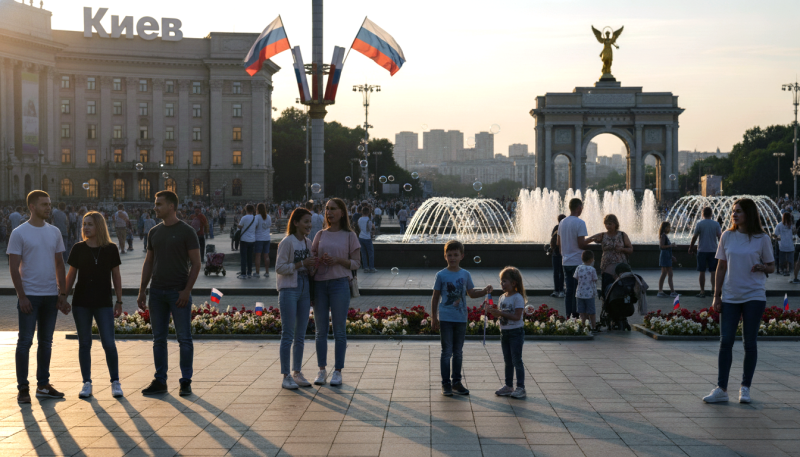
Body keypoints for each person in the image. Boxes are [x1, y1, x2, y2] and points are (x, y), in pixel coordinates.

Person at [703, 198, 775, 404]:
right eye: (733, 211)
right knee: (725, 342)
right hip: (731, 295)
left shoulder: (762, 238)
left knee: (749, 343)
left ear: (749, 214)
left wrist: (763, 267)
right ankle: (721, 389)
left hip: (754, 295)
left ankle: (745, 388)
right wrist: (716, 296)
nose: (734, 214)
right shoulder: (727, 235)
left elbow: (771, 266)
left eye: (739, 211)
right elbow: (721, 267)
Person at [137, 191, 201, 397]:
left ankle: (185, 381)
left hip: (177, 293)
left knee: (184, 339)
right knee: (159, 340)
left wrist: (186, 291)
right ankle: (160, 380)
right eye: (155, 204)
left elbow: (197, 263)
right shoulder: (154, 232)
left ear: (172, 206)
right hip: (156, 292)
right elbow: (148, 262)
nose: (155, 207)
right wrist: (142, 291)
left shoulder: (187, 231)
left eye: (159, 204)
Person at [8, 190, 70, 403]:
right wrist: (22, 296)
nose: (48, 207)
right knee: (25, 342)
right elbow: (14, 268)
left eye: (49, 203)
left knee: (46, 342)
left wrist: (62, 293)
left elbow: (60, 264)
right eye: (44, 204)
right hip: (30, 296)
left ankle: (43, 385)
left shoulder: (54, 232)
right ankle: (23, 388)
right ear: (32, 207)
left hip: (50, 295)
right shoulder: (19, 233)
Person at [64, 211, 123, 399]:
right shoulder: (78, 248)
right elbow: (71, 275)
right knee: (84, 343)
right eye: (84, 224)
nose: (85, 227)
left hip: (104, 302)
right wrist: (63, 296)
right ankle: (86, 383)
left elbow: (116, 276)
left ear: (99, 226)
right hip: (81, 302)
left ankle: (115, 382)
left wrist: (119, 301)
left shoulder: (111, 248)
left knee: (108, 343)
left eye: (89, 224)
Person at [431, 240, 493, 396]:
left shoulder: (465, 274)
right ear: (445, 256)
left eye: (455, 255)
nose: (452, 258)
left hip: (460, 318)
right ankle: (446, 384)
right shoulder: (441, 275)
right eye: (449, 255)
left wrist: (485, 291)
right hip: (445, 317)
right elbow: (435, 297)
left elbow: (471, 294)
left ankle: (456, 383)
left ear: (462, 256)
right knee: (446, 352)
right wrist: (434, 318)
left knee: (458, 352)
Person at [310, 198, 361, 387]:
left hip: (340, 284)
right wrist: (318, 260)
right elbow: (311, 259)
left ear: (342, 212)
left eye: (333, 209)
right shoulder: (320, 235)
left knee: (339, 330)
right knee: (320, 330)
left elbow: (356, 263)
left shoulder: (350, 236)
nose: (329, 212)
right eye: (326, 209)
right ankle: (322, 370)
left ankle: (338, 371)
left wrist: (338, 260)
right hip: (320, 285)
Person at [275, 208, 318, 389]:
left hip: (304, 287)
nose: (309, 225)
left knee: (301, 334)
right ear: (296, 223)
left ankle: (297, 372)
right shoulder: (287, 242)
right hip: (289, 289)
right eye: (306, 222)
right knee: (288, 334)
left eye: (310, 222)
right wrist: (301, 264)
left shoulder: (308, 243)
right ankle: (286, 375)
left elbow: (310, 269)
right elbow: (279, 267)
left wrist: (315, 263)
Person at [485, 266, 526, 399]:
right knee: (508, 361)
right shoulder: (502, 297)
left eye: (504, 281)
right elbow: (501, 316)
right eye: (501, 281)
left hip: (516, 332)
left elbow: (517, 316)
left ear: (513, 283)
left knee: (516, 360)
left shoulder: (517, 297)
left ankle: (521, 387)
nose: (502, 284)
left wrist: (501, 312)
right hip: (505, 333)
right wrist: (493, 311)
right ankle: (509, 386)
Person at [557, 198, 590, 319]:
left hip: (566, 261)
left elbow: (558, 242)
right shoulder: (580, 223)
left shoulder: (562, 222)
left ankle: (568, 315)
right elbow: (581, 244)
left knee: (569, 291)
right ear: (579, 208)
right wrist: (592, 239)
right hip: (577, 261)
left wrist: (564, 254)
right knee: (578, 291)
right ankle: (576, 316)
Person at [588, 214, 633, 296]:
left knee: (621, 290)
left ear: (615, 224)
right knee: (606, 289)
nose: (607, 226)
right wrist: (594, 239)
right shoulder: (602, 235)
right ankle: (605, 306)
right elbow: (587, 240)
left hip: (620, 267)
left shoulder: (622, 235)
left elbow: (630, 249)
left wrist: (622, 249)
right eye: (606, 224)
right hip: (606, 267)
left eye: (610, 224)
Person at [689, 207, 723, 297]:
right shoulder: (716, 224)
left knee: (702, 271)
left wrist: (691, 247)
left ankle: (702, 291)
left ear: (703, 214)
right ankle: (713, 291)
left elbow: (694, 237)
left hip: (702, 250)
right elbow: (720, 237)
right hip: (713, 250)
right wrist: (722, 248)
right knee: (713, 272)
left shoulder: (700, 224)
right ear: (711, 214)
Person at [574, 250, 599, 331]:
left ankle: (583, 326)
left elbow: (576, 277)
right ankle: (593, 327)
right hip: (589, 294)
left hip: (579, 293)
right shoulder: (592, 269)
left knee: (582, 312)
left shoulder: (578, 268)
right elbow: (595, 279)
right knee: (591, 312)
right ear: (591, 260)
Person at [657, 221, 678, 298]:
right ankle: (668, 291)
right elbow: (661, 246)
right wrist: (671, 245)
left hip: (666, 256)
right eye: (668, 227)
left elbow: (665, 247)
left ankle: (662, 291)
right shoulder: (663, 236)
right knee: (667, 274)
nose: (669, 229)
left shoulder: (664, 236)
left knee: (666, 274)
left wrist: (671, 256)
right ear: (665, 228)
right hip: (665, 257)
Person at [237, 204, 257, 279]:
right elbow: (256, 227)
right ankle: (249, 272)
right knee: (250, 257)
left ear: (246, 209)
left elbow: (240, 226)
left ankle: (243, 273)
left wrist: (238, 225)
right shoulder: (255, 218)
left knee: (243, 257)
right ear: (253, 210)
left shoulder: (244, 218)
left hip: (244, 239)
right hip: (252, 240)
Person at [549, 215, 566, 298]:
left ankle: (556, 290)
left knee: (556, 272)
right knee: (561, 272)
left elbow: (552, 238)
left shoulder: (556, 227)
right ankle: (561, 290)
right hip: (562, 253)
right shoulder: (566, 229)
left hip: (555, 254)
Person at [254, 203, 272, 278]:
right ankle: (267, 272)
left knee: (258, 256)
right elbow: (269, 225)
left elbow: (255, 226)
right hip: (267, 238)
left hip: (258, 238)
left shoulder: (257, 217)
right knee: (266, 255)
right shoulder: (268, 217)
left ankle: (257, 272)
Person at [357, 207, 376, 273]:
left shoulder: (359, 219)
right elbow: (371, 229)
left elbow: (359, 228)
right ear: (368, 213)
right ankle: (371, 267)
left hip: (361, 237)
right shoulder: (369, 220)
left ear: (362, 212)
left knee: (363, 253)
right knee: (370, 253)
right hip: (367, 238)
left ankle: (365, 267)